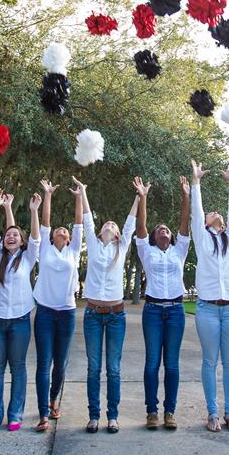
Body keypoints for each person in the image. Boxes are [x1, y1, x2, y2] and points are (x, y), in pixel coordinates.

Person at [79, 176, 140, 434]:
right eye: (106, 223)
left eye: (113, 225)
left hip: (116, 315)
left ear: (116, 234)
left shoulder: (122, 246)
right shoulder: (92, 245)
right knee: (94, 367)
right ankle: (93, 416)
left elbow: (130, 224)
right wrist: (82, 192)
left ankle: (112, 416)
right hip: (92, 314)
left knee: (113, 368)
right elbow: (87, 218)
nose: (109, 224)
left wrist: (139, 196)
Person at [190, 159, 229, 433]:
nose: (215, 213)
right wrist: (196, 182)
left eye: (216, 212)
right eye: (210, 212)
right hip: (208, 309)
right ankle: (212, 413)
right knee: (210, 361)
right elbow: (196, 213)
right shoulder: (202, 240)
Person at [135, 176, 191, 431]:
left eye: (166, 229)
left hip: (176, 311)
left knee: (172, 363)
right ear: (154, 237)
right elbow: (142, 226)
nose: (163, 230)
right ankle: (151, 411)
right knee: (152, 363)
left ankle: (170, 411)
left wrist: (185, 195)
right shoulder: (147, 251)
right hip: (153, 311)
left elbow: (184, 224)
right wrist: (143, 197)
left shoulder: (180, 251)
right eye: (159, 229)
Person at [30, 180, 84, 432]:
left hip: (66, 313)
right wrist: (48, 195)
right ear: (52, 236)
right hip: (44, 313)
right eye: (57, 230)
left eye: (65, 230)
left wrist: (79, 196)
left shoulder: (74, 251)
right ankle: (42, 412)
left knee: (60, 363)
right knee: (44, 362)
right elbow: (45, 222)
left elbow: (78, 222)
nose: (61, 230)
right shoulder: (45, 251)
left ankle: (53, 401)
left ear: (70, 238)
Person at [0, 189, 37, 432]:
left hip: (20, 321)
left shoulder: (27, 258)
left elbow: (35, 237)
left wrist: (33, 211)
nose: (11, 236)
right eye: (9, 234)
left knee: (17, 367)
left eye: (16, 234)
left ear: (22, 241)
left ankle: (15, 415)